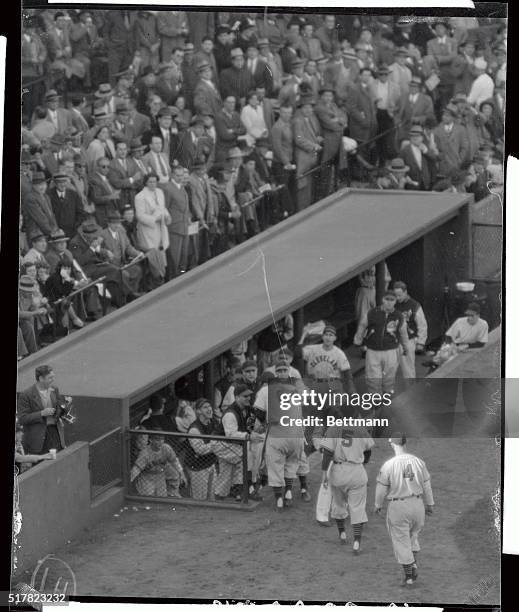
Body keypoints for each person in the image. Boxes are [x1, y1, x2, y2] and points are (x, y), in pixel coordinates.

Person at [373, 433, 434, 586]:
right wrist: (430, 504)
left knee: (401, 540)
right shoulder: (419, 462)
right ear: (405, 443)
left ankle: (409, 576)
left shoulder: (389, 465)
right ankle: (413, 565)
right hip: (418, 505)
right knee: (413, 537)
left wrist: (378, 505)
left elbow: (381, 489)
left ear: (392, 444)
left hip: (399, 506)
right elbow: (426, 485)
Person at [320, 409, 375, 553]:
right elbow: (368, 451)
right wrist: (361, 462)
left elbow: (327, 453)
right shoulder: (360, 428)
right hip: (356, 471)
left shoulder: (333, 428)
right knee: (357, 507)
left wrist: (324, 473)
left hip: (338, 473)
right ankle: (356, 542)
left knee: (338, 504)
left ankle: (342, 534)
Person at [353, 290, 410, 395]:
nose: (389, 302)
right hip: (373, 350)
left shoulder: (399, 316)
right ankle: (375, 399)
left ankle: (387, 395)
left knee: (389, 375)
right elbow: (362, 325)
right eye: (386, 299)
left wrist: (406, 347)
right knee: (373, 376)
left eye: (392, 300)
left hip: (391, 350)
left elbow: (403, 333)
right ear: (382, 299)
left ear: (395, 301)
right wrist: (358, 340)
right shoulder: (372, 313)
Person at [214, 384, 258, 501]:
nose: (248, 398)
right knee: (244, 457)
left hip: (231, 444)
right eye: (245, 396)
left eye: (249, 395)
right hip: (220, 443)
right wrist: (248, 436)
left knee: (226, 473)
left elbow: (252, 424)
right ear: (237, 397)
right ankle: (244, 491)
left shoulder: (246, 409)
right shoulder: (230, 413)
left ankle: (220, 497)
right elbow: (231, 434)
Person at [17, 365, 67, 455]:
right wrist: (41, 413)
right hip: (38, 438)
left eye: (53, 377)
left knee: (59, 460)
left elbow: (59, 408)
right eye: (50, 378)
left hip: (55, 433)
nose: (53, 379)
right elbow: (22, 419)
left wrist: (63, 407)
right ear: (40, 378)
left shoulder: (54, 389)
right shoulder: (26, 395)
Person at [134, 173, 172, 284]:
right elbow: (140, 216)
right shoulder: (140, 196)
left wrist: (167, 216)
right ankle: (155, 280)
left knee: (162, 250)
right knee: (153, 255)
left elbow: (162, 207)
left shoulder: (159, 192)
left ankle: (163, 277)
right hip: (149, 230)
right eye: (150, 182)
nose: (152, 184)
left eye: (154, 181)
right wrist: (154, 219)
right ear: (146, 182)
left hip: (161, 227)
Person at [100, 211, 144, 298]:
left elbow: (128, 247)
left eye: (118, 223)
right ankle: (130, 295)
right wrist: (105, 252)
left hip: (122, 263)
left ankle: (133, 292)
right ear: (108, 224)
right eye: (114, 223)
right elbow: (97, 249)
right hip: (110, 266)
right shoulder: (102, 234)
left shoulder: (121, 232)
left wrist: (138, 254)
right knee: (124, 274)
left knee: (137, 270)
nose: (116, 225)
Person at [130, 431, 186, 498]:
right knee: (148, 499)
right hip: (146, 477)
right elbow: (136, 469)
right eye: (157, 440)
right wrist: (129, 481)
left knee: (162, 498)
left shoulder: (166, 448)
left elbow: (175, 461)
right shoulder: (145, 453)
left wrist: (182, 474)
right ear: (151, 440)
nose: (161, 442)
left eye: (162, 439)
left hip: (160, 476)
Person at [393, 281, 428, 381]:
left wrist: (421, 342)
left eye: (399, 295)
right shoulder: (393, 304)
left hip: (408, 340)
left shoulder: (415, 305)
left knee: (408, 370)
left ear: (405, 292)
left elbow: (422, 325)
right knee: (388, 369)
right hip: (393, 340)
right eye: (395, 295)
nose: (397, 298)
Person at [186, 399, 219, 500]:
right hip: (197, 467)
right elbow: (200, 450)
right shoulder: (194, 429)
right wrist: (216, 444)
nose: (209, 409)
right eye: (205, 407)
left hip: (211, 464)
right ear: (198, 411)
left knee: (211, 498)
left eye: (209, 406)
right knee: (199, 500)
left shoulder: (213, 422)